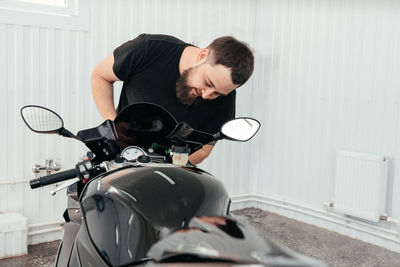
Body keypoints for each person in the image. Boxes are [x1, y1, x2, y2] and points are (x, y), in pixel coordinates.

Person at [91, 34, 254, 164]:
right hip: (120, 156)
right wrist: (112, 126)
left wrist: (166, 167)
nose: (206, 95)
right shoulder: (148, 49)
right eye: (207, 83)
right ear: (202, 55)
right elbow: (100, 76)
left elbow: (205, 148)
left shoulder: (225, 96)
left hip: (171, 170)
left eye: (217, 93)